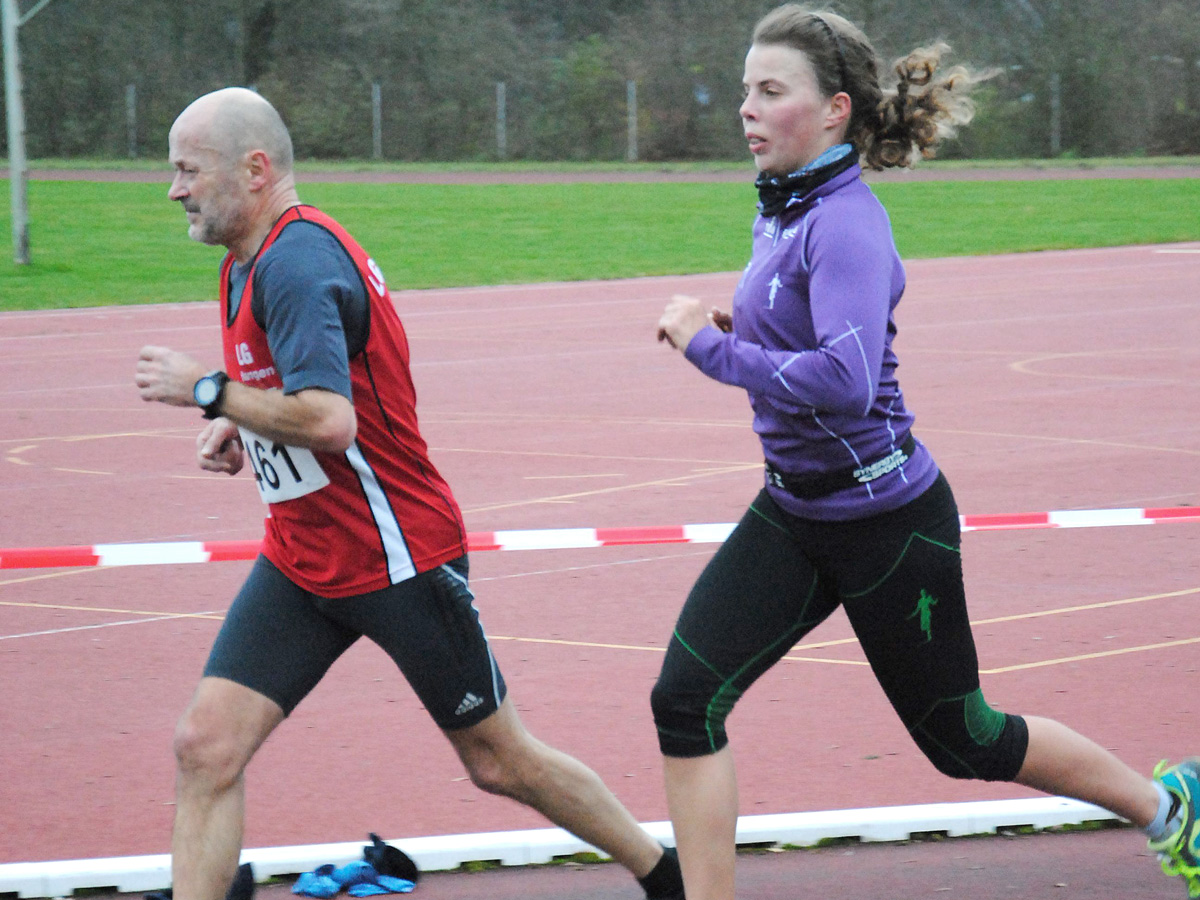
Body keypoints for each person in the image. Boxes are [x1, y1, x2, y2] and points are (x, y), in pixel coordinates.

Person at [651, 6, 1199, 899]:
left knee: (967, 741)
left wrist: (712, 349)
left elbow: (848, 379)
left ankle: (1172, 811)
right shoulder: (784, 207)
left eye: (769, 91)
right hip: (794, 511)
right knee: (683, 701)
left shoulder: (846, 222)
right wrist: (740, 324)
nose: (744, 109)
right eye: (745, 88)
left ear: (833, 110)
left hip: (887, 523)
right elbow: (807, 337)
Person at [135, 87, 685, 900]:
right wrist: (244, 424)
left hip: (396, 556)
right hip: (304, 559)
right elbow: (301, 385)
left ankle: (667, 875)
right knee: (204, 746)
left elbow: (329, 422)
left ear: (254, 170)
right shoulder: (246, 263)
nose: (173, 188)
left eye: (188, 170)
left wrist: (211, 391)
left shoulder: (295, 261)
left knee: (499, 760)